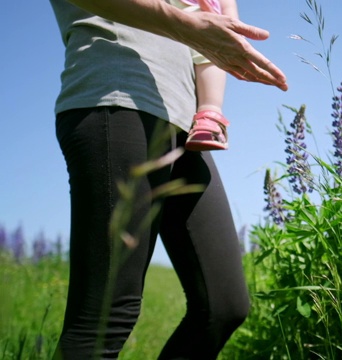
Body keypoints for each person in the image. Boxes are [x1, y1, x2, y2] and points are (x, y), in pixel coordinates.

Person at [48, 0, 288, 358]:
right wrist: (186, 24)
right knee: (105, 317)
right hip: (117, 99)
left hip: (185, 123)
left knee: (224, 306)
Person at [171, 0, 237, 151]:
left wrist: (233, 30)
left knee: (211, 57)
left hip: (203, 14)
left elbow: (228, 4)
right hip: (161, 11)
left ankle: (209, 115)